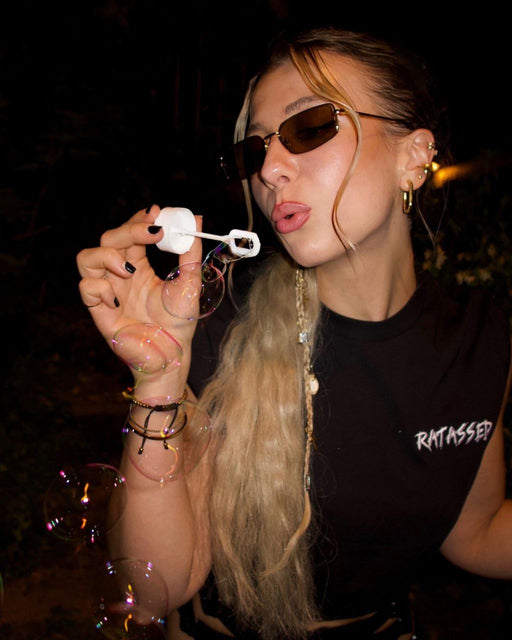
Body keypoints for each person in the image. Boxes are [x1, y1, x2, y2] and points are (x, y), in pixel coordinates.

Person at [76, 26, 512, 640]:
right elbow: (155, 590)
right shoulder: (217, 327)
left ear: (414, 156)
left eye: (310, 126)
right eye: (253, 151)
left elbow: (477, 533)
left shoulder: (480, 338)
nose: (271, 169)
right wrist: (159, 378)